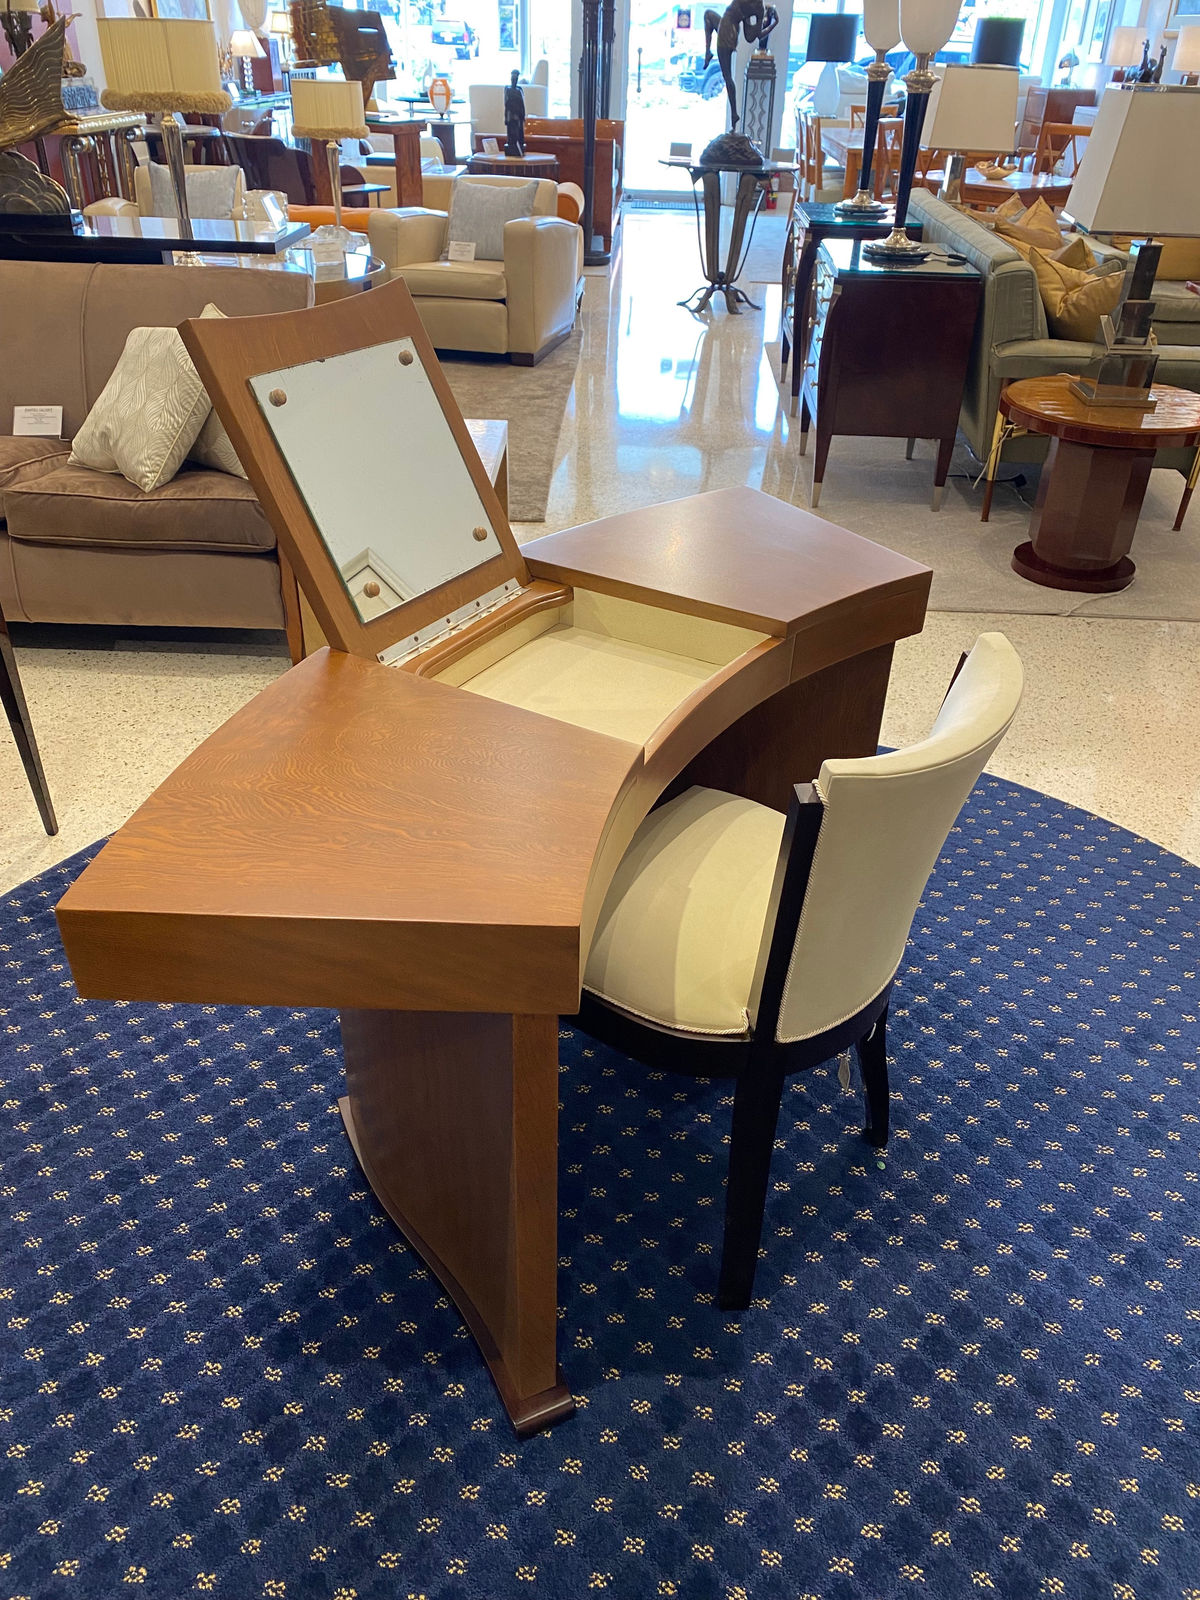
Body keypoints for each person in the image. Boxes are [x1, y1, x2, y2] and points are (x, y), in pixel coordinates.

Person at [702, 0, 779, 131]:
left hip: (727, 31)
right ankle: (707, 52)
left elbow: (753, 36)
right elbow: (753, 36)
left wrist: (772, 22)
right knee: (708, 15)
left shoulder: (758, 8)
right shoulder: (758, 8)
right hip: (727, 25)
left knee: (727, 77)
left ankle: (734, 115)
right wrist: (773, 24)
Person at [504, 69, 525, 158]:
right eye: (513, 77)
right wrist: (506, 117)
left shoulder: (520, 89)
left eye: (516, 78)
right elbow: (506, 103)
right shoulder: (507, 89)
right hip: (511, 115)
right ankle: (512, 146)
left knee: (519, 133)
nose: (514, 80)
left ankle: (519, 147)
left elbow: (522, 104)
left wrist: (523, 115)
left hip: (519, 115)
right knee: (511, 134)